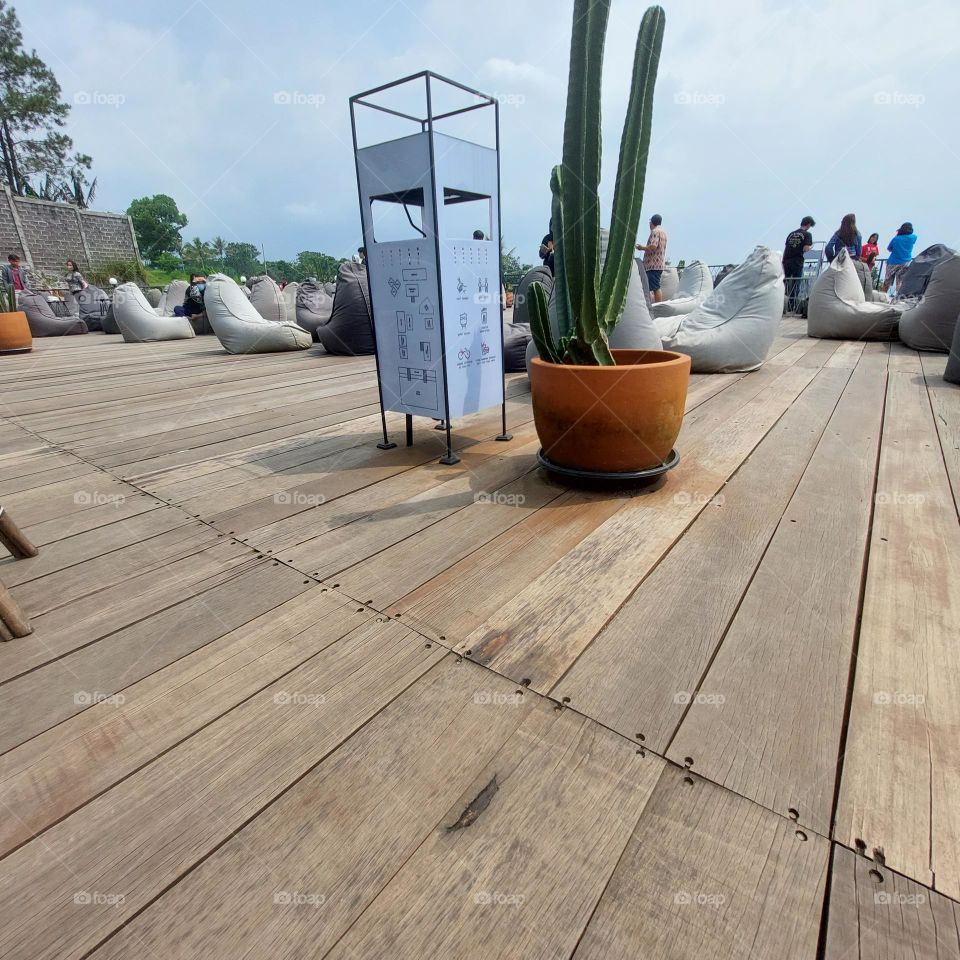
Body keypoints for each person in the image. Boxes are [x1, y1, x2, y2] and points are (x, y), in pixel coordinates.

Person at [782, 216, 815, 313]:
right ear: (808, 224)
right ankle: (792, 307)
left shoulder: (791, 234)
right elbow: (805, 249)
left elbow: (786, 248)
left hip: (786, 261)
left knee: (785, 284)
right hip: (797, 261)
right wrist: (811, 246)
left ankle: (782, 305)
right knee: (796, 284)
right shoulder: (807, 234)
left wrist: (783, 261)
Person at [636, 214, 668, 302]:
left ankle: (657, 306)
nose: (649, 224)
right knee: (652, 286)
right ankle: (653, 305)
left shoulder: (655, 231)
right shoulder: (663, 232)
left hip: (653, 265)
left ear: (652, 222)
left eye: (650, 222)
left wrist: (641, 248)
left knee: (655, 287)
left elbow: (653, 246)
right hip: (658, 264)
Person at [883, 222, 917, 294]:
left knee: (887, 280)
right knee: (900, 281)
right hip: (906, 262)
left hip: (893, 262)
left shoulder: (896, 239)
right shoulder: (913, 237)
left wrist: (898, 234)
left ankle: (883, 296)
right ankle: (898, 298)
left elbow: (889, 249)